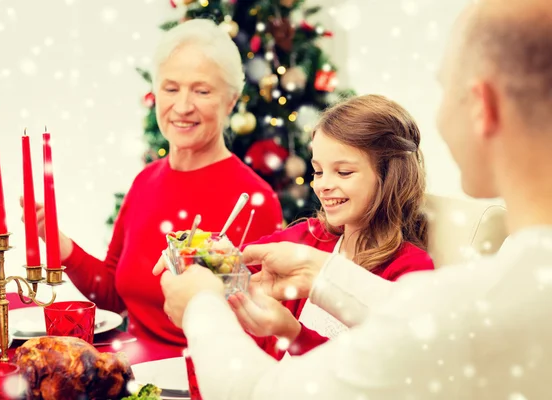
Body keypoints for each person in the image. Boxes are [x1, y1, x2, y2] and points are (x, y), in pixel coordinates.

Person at [158, 0, 552, 398]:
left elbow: (262, 393)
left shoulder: (468, 302)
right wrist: (315, 273)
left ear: (482, 106)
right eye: (318, 170)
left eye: (444, 88)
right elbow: (411, 317)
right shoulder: (491, 299)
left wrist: (199, 304)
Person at [22, 19, 283, 358]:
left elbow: (262, 333)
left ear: (231, 101)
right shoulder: (146, 181)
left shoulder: (254, 200)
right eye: (171, 88)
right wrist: (58, 244)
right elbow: (114, 295)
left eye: (202, 91)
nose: (183, 106)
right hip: (132, 377)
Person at [225, 94, 434, 358]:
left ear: (390, 177)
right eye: (318, 171)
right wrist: (206, 253)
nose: (322, 185)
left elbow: (371, 371)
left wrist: (293, 334)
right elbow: (234, 261)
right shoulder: (310, 235)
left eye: (343, 172)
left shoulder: (411, 270)